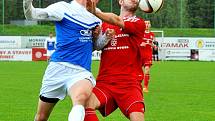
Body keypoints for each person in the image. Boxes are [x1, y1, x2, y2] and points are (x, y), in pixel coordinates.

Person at [23, 0, 102, 121]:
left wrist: (104, 37)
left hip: (81, 71)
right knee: (41, 116)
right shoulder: (62, 8)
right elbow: (32, 15)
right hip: (57, 68)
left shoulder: (97, 16)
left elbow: (95, 46)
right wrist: (27, 2)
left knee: (80, 98)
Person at [84, 0, 146, 121]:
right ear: (121, 1)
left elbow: (117, 20)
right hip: (106, 82)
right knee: (84, 103)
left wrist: (95, 11)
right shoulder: (105, 25)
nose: (135, 0)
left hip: (129, 83)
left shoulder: (138, 23)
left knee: (138, 118)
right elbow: (95, 46)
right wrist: (96, 36)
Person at [139, 20, 155, 92]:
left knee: (147, 70)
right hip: (140, 55)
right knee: (138, 72)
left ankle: (145, 87)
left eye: (148, 23)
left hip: (148, 55)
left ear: (150, 25)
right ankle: (137, 85)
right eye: (146, 23)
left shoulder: (152, 34)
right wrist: (140, 44)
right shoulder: (140, 33)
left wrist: (153, 46)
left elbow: (152, 43)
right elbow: (135, 43)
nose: (147, 25)